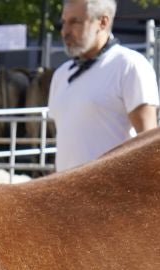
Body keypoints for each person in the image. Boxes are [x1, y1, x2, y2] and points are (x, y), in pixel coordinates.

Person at [49, 0, 159, 171]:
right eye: (64, 22)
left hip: (113, 194)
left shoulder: (129, 65)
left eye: (74, 22)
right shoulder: (61, 74)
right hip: (67, 194)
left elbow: (149, 146)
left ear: (103, 22)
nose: (65, 31)